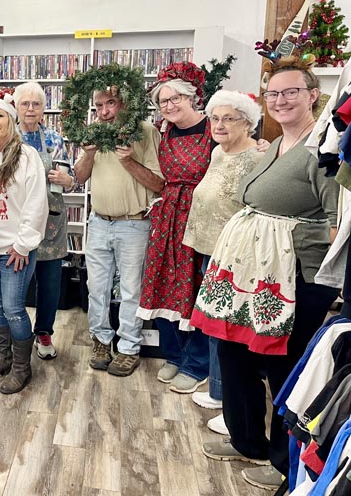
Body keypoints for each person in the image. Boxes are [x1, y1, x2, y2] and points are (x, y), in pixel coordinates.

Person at [196, 57, 339, 490]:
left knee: (282, 365)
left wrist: (320, 277)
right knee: (232, 352)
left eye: (291, 91)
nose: (281, 100)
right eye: (273, 94)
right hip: (248, 272)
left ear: (313, 95)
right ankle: (246, 439)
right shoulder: (271, 145)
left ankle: (282, 462)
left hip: (293, 277)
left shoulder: (324, 153)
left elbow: (337, 223)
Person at [182, 90, 264, 433]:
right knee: (213, 325)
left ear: (248, 122)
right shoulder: (218, 152)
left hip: (235, 257)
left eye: (229, 118)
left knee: (228, 330)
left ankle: (231, 403)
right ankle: (218, 391)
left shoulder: (257, 158)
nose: (219, 125)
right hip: (209, 250)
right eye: (215, 118)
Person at [74, 85, 164, 377]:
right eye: (98, 106)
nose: (104, 112)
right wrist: (88, 154)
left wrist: (128, 160)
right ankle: (101, 341)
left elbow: (159, 184)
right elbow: (78, 177)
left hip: (134, 223)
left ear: (125, 103)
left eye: (110, 104)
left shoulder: (145, 131)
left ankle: (128, 348)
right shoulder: (95, 131)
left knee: (130, 290)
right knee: (96, 288)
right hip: (98, 221)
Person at [138, 62, 213, 394]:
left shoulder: (214, 129)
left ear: (192, 97)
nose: (168, 106)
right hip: (167, 215)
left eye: (175, 99)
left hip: (201, 217)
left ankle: (197, 364)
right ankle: (175, 354)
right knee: (162, 282)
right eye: (163, 101)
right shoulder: (162, 132)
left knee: (197, 288)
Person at [0, 94, 48, 393]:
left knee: (14, 308)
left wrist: (23, 245)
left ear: (11, 119)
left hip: (16, 249)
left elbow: (36, 204)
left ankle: (21, 367)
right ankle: (2, 357)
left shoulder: (27, 156)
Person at [14, 82, 74, 360]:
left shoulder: (54, 139)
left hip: (51, 220)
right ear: (15, 106)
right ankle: (16, 336)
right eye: (25, 103)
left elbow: (68, 180)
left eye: (35, 104)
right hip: (16, 221)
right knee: (15, 283)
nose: (30, 109)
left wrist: (68, 180)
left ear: (43, 109)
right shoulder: (7, 137)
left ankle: (44, 332)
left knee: (50, 283)